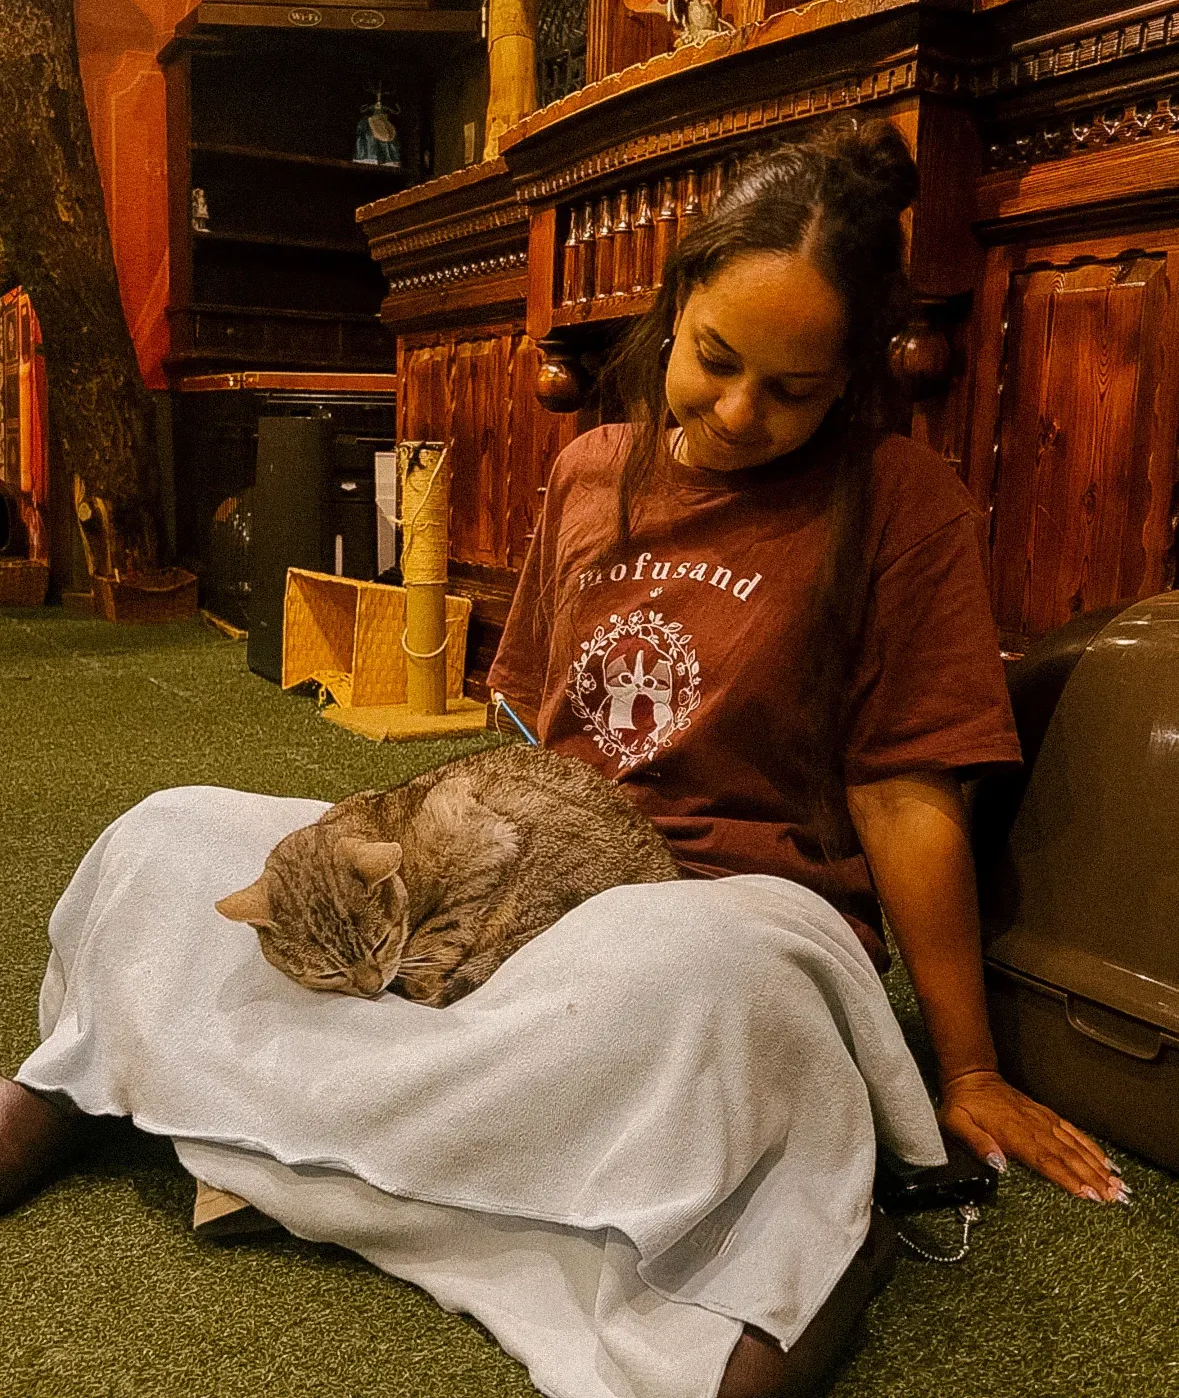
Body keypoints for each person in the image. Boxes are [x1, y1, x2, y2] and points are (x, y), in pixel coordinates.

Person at [0, 118, 1124, 1398]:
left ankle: (261, 1122)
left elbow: (907, 794)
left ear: (852, 377)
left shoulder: (905, 505)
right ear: (676, 305)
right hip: (519, 883)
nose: (741, 412)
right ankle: (86, 1077)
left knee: (686, 989)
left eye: (794, 389)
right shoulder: (593, 466)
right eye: (716, 360)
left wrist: (965, 1068)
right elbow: (525, 733)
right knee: (166, 837)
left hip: (719, 919)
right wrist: (411, 861)